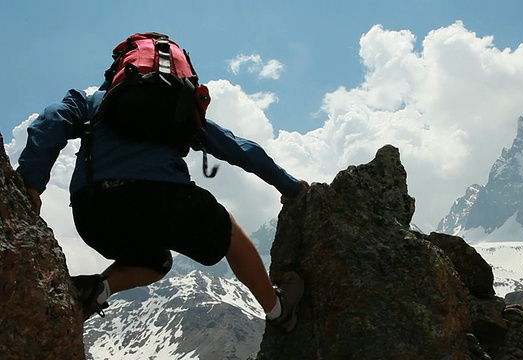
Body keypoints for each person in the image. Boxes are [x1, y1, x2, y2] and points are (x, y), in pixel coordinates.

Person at [16, 50, 306, 333]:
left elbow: (52, 119)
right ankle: (278, 310)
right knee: (225, 226)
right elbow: (239, 149)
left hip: (92, 212)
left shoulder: (95, 101)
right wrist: (289, 186)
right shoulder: (178, 104)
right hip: (162, 200)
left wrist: (31, 182)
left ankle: (96, 290)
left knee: (157, 261)